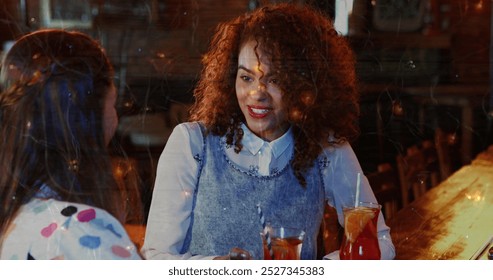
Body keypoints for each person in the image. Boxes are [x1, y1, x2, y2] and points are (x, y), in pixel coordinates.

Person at [142, 3, 395, 260]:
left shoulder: (327, 147)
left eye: (274, 80)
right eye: (246, 78)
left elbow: (380, 242)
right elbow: (157, 258)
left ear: (304, 84)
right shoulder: (192, 143)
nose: (257, 94)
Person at [0, 29, 141, 259]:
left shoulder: (16, 217)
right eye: (113, 104)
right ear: (87, 118)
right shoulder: (83, 231)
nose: (116, 118)